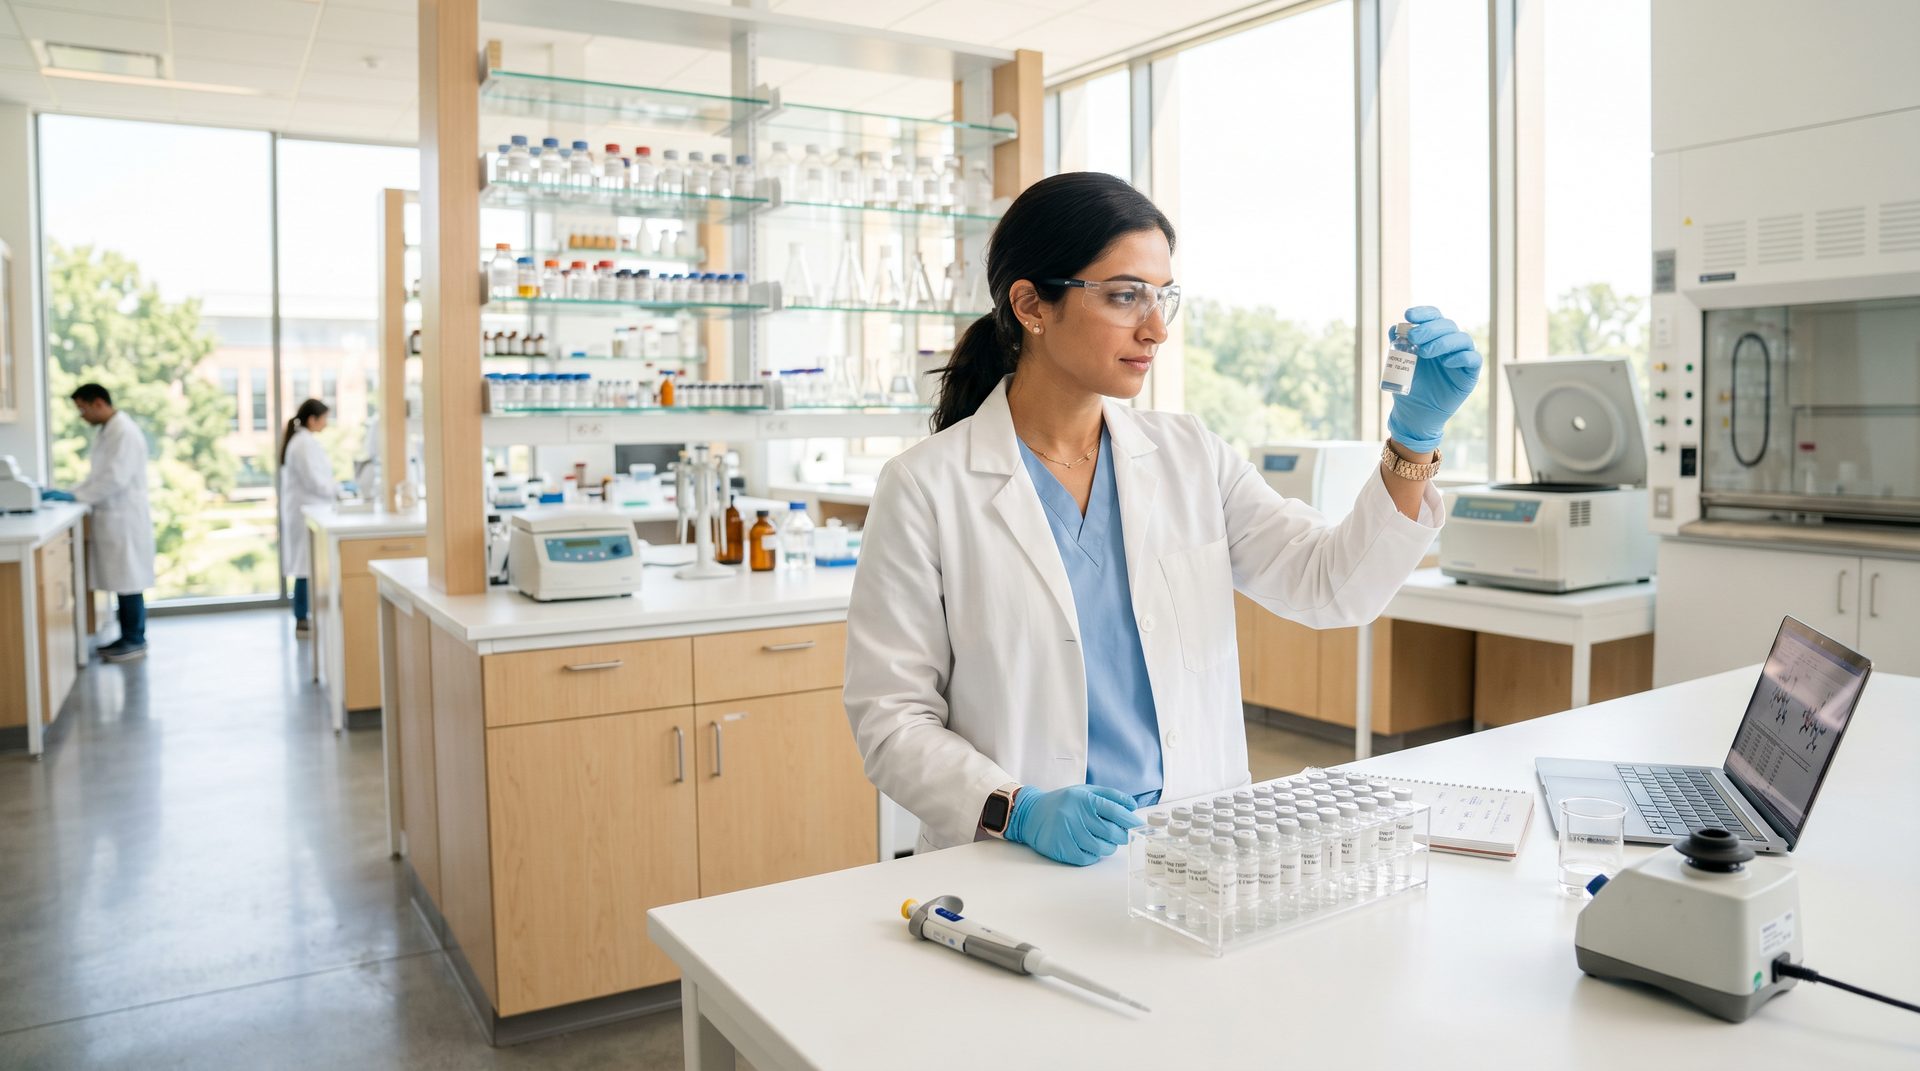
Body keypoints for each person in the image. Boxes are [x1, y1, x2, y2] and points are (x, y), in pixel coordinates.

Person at [843, 173, 1482, 864]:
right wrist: (1014, 808)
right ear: (1031, 303)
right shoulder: (925, 485)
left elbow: (1329, 584)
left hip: (1198, 851)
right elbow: (892, 716)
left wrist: (1413, 441)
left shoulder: (1187, 454)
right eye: (1125, 296)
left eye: (1162, 297)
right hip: (1014, 859)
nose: (1156, 328)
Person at [64, 384, 157, 663]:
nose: (82, 415)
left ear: (99, 403)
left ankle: (135, 639)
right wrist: (73, 493)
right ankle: (128, 635)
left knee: (129, 581)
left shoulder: (123, 432)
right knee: (123, 581)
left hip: (124, 516)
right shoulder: (110, 430)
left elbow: (114, 478)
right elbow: (99, 476)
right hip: (114, 515)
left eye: (83, 408)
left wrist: (76, 496)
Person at [278, 399, 336, 635]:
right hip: (305, 510)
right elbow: (314, 480)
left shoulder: (304, 441)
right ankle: (302, 617)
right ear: (312, 419)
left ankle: (304, 615)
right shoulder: (302, 444)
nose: (326, 424)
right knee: (304, 566)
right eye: (324, 418)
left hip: (307, 509)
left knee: (305, 564)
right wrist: (338, 490)